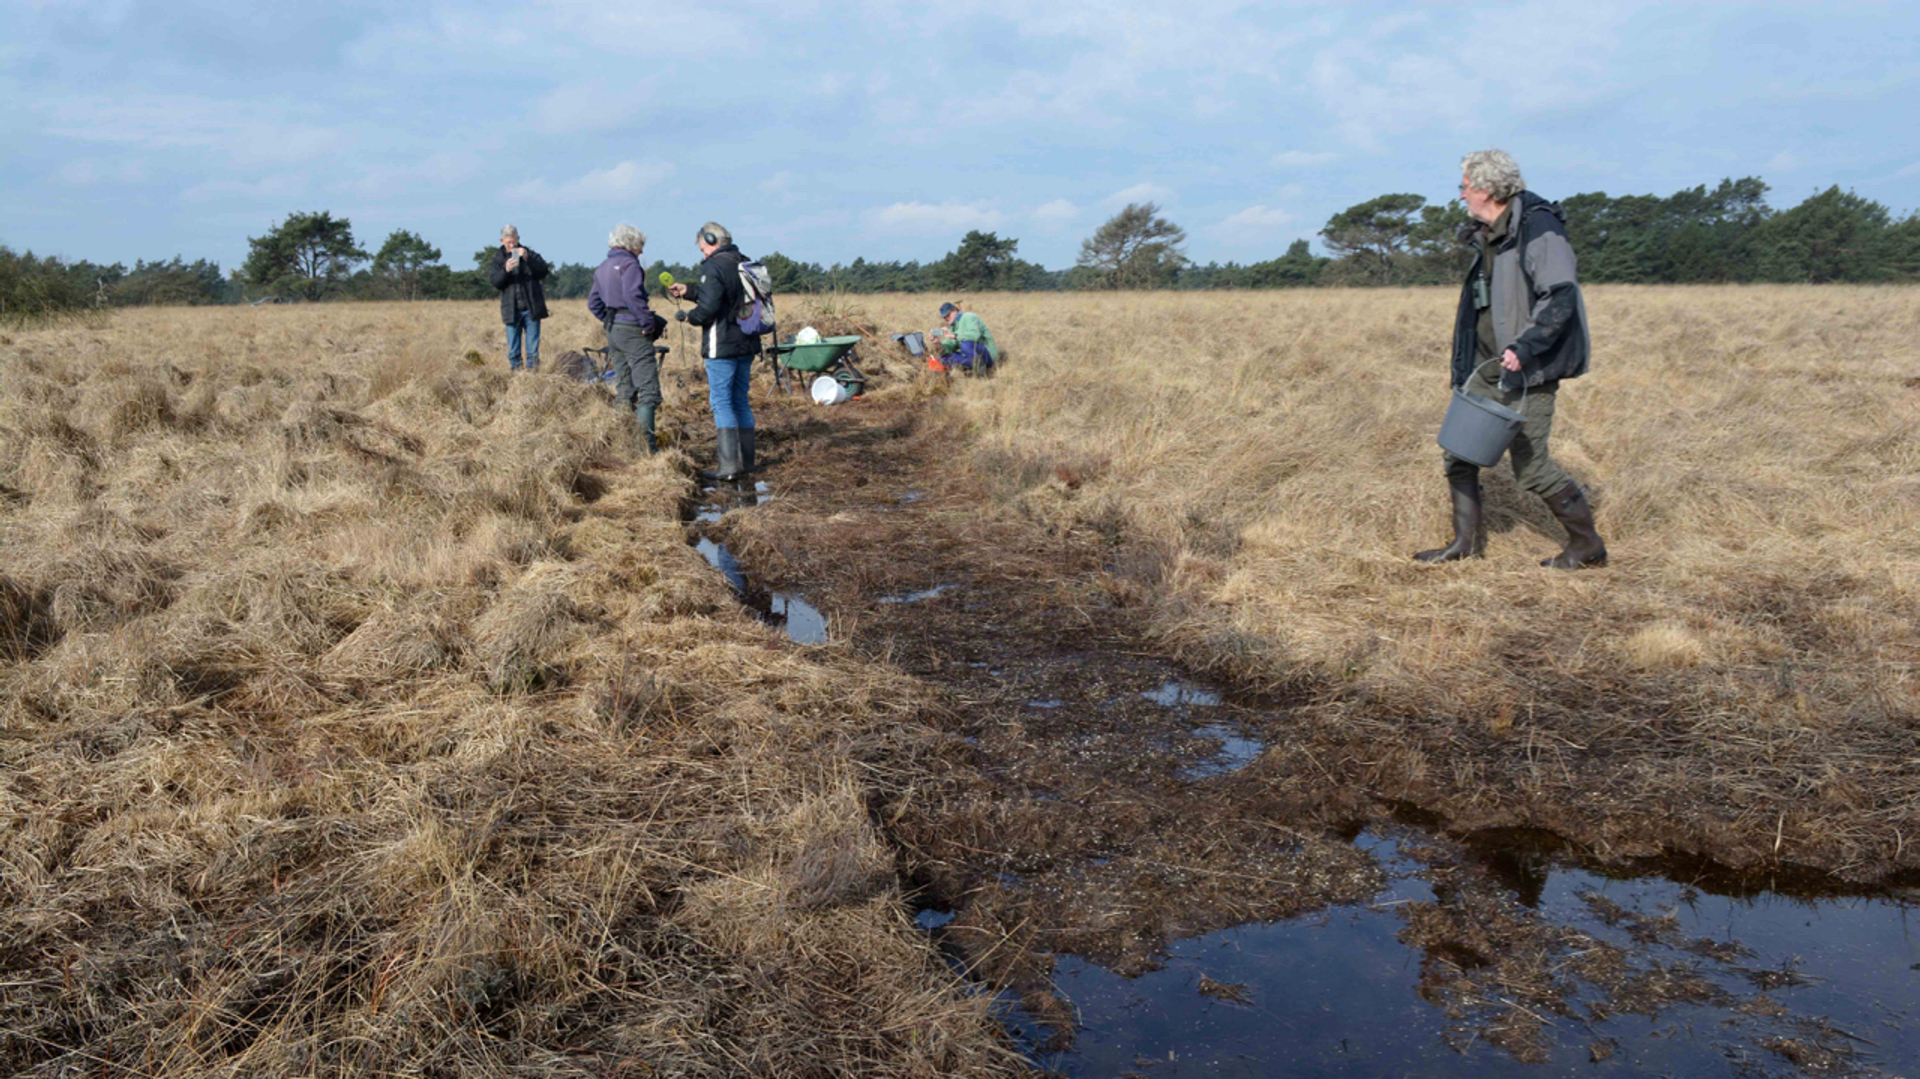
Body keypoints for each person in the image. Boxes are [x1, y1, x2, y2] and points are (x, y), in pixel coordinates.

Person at [1416, 149, 1607, 569]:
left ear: (1485, 188)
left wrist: (1525, 347)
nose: (1461, 195)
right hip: (1487, 368)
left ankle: (1587, 545)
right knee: (1458, 454)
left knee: (1532, 468)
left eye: (1464, 187)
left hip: (1528, 370)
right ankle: (1463, 545)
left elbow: (1561, 296)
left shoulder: (1538, 226)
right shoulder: (1488, 234)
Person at [667, 222, 761, 481]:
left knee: (721, 402)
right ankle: (746, 463)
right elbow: (722, 295)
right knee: (740, 400)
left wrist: (690, 317)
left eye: (702, 248)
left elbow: (709, 308)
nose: (702, 254)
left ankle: (729, 466)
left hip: (723, 344)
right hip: (747, 342)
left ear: (711, 241)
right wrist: (689, 290)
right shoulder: (743, 261)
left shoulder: (713, 265)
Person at [587, 224, 668, 451]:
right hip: (633, 330)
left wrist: (610, 321)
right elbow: (634, 296)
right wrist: (647, 323)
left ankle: (624, 444)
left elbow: (593, 303)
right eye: (640, 246)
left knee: (624, 388)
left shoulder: (602, 267)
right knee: (649, 390)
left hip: (613, 330)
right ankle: (647, 449)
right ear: (631, 244)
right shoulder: (630, 264)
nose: (641, 251)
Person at [489, 225, 550, 372]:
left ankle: (533, 376)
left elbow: (543, 271)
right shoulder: (498, 260)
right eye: (508, 243)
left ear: (518, 239)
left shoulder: (530, 254)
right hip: (511, 310)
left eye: (514, 242)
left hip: (531, 309)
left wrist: (528, 258)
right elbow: (495, 282)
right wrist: (505, 270)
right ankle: (516, 378)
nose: (511, 246)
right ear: (502, 241)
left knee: (533, 350)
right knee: (513, 350)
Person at [928, 302, 999, 374]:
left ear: (955, 310)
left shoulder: (969, 316)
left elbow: (974, 336)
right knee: (942, 357)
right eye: (944, 317)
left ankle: (981, 372)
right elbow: (947, 348)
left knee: (965, 345)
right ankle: (973, 368)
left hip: (987, 354)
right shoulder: (952, 328)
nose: (946, 318)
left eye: (948, 315)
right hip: (972, 357)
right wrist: (937, 343)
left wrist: (954, 336)